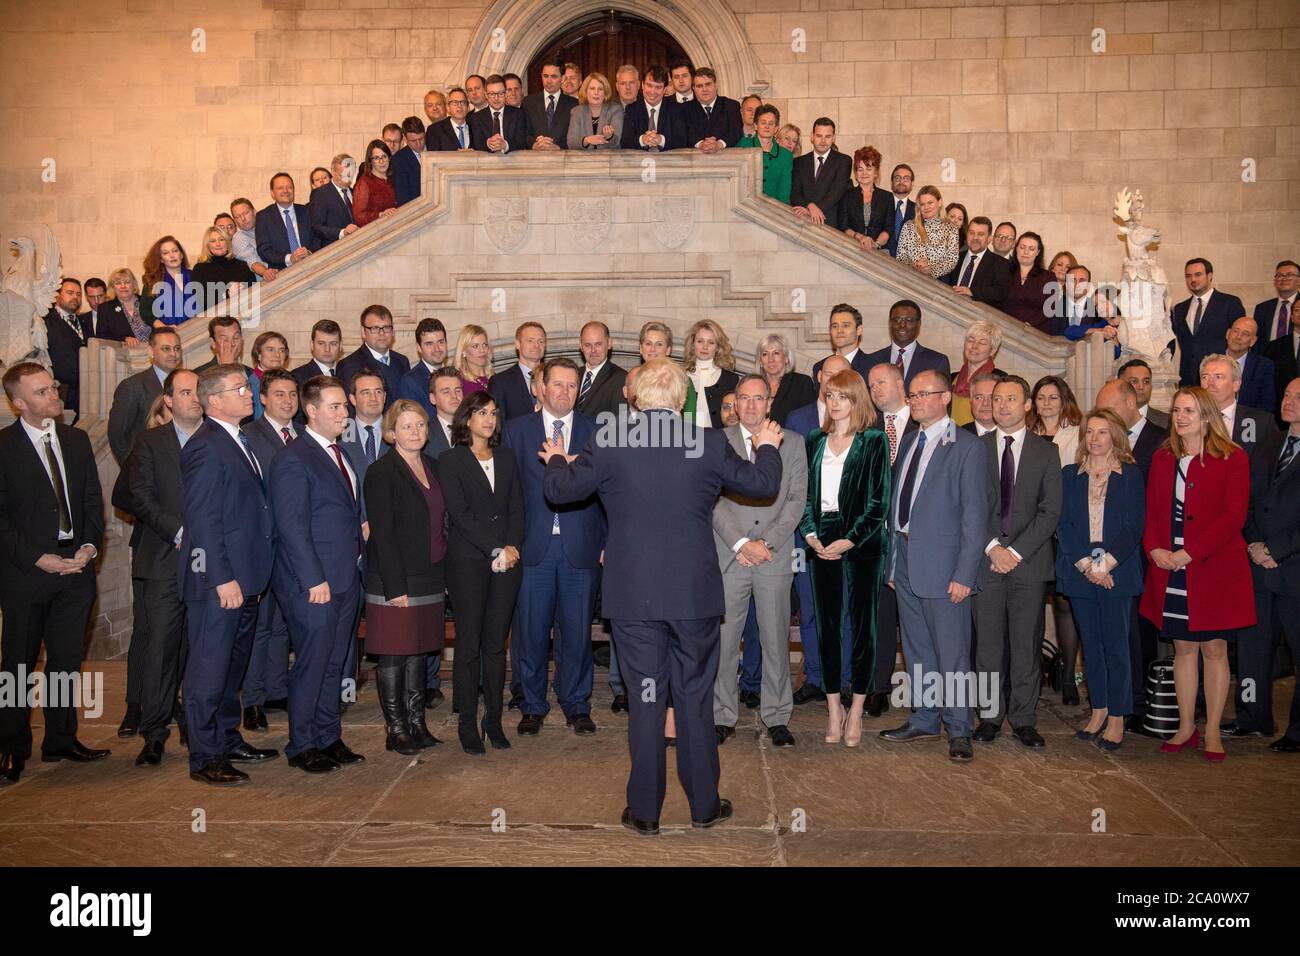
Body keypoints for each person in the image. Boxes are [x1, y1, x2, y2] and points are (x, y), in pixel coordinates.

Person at [542, 358, 783, 833]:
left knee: (646, 699)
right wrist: (767, 446)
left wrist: (555, 455)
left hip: (635, 598)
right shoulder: (708, 441)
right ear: (682, 399)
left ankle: (646, 812)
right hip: (693, 597)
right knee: (694, 699)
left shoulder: (610, 441)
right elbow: (764, 484)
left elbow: (558, 490)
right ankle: (704, 807)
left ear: (634, 398)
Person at [0, 364, 107, 786]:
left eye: (53, 387)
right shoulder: (4, 447)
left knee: (65, 663)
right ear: (19, 403)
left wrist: (89, 547)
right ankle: (10, 744)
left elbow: (91, 502)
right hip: (26, 574)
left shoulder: (76, 440)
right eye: (42, 391)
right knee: (17, 666)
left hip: (76, 570)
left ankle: (62, 739)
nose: (54, 395)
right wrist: (37, 558)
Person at [880, 369, 989, 762]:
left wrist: (964, 574)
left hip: (945, 567)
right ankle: (925, 718)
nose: (916, 401)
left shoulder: (967, 447)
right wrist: (893, 565)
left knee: (952, 651)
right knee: (918, 647)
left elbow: (976, 518)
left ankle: (959, 728)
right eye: (912, 395)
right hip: (907, 559)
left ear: (946, 398)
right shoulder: (909, 442)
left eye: (925, 394)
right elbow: (898, 509)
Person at [1142, 387, 1254, 762]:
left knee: (1215, 648)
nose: (1180, 417)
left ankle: (1212, 731)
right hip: (1170, 566)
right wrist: (1155, 548)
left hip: (1212, 566)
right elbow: (1153, 511)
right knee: (1183, 648)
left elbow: (1233, 517)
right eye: (1176, 410)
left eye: (1189, 410)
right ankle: (1186, 725)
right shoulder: (1163, 458)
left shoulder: (1233, 458)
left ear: (1207, 415)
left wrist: (1189, 553)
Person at [180, 365, 278, 786]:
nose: (249, 393)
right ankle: (204, 757)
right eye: (239, 388)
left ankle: (225, 738)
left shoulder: (239, 439)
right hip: (218, 585)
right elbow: (203, 521)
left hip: (247, 580)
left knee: (230, 671)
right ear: (213, 400)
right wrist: (222, 579)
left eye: (248, 386)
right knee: (208, 671)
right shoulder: (205, 446)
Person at [503, 358, 605, 736]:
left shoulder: (597, 431)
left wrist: (607, 541)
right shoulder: (516, 432)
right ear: (540, 387)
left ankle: (576, 703)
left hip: (582, 546)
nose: (564, 392)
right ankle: (532, 704)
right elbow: (507, 494)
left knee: (577, 632)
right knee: (530, 632)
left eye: (572, 386)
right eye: (557, 384)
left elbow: (609, 490)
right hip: (533, 548)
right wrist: (509, 542)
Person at [270, 375, 367, 773]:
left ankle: (328, 735)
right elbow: (291, 526)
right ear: (310, 411)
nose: (344, 412)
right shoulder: (294, 457)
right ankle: (302, 743)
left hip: (346, 576)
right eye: (335, 407)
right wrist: (314, 580)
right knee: (312, 662)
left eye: (344, 406)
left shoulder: (339, 452)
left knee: (334, 662)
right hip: (313, 583)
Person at [713, 374, 807, 746]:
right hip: (729, 555)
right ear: (735, 403)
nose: (751, 405)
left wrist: (765, 542)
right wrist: (740, 543)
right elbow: (712, 500)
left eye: (758, 398)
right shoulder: (717, 442)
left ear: (770, 403)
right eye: (744, 398)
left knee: (774, 638)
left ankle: (777, 714)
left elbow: (797, 499)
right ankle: (721, 714)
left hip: (774, 555)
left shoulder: (793, 443)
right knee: (723, 640)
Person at [800, 370, 891, 747]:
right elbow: (804, 497)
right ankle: (833, 708)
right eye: (830, 395)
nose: (834, 403)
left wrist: (848, 541)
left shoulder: (873, 441)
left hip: (863, 546)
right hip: (820, 543)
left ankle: (856, 710)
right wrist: (811, 535)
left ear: (857, 401)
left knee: (864, 629)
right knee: (828, 627)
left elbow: (878, 503)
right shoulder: (814, 440)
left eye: (843, 396)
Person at [971, 375, 1062, 748]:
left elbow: (1050, 510)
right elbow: (970, 507)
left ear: (1027, 404)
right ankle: (990, 717)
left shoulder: (1046, 451)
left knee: (1026, 645)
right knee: (988, 646)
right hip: (986, 562)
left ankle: (1024, 718)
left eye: (1011, 398)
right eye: (997, 399)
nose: (1002, 405)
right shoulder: (973, 449)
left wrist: (1016, 552)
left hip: (1029, 564)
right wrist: (994, 547)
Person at [438, 391, 523, 753]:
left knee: (495, 644)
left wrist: (513, 547)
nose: (489, 419)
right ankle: (467, 723)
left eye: (493, 413)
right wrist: (495, 547)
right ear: (467, 419)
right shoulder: (450, 459)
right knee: (469, 644)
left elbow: (518, 508)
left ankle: (494, 719)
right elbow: (460, 515)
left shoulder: (506, 457)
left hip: (508, 563)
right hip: (468, 562)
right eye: (481, 413)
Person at [1058, 408, 1147, 751]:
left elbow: (1133, 527)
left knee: (1116, 647)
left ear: (1116, 437)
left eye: (1102, 433)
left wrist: (1105, 566)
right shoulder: (1070, 474)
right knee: (1090, 646)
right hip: (1080, 572)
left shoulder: (1131, 475)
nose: (1094, 439)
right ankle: (1098, 709)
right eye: (1090, 432)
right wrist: (1087, 566)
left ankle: (1118, 717)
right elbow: (1063, 524)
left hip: (1117, 573)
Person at [362, 399, 447, 754]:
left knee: (418, 652)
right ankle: (395, 728)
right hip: (394, 579)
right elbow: (383, 533)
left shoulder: (434, 466)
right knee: (394, 654)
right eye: (407, 426)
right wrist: (395, 588)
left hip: (429, 575)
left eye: (420, 426)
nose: (415, 432)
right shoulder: (382, 472)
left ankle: (417, 723)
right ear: (391, 432)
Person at [126, 369, 201, 766]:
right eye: (185, 392)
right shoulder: (150, 442)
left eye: (197, 391)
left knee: (200, 648)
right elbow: (140, 496)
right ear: (168, 400)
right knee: (161, 649)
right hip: (164, 560)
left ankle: (196, 722)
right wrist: (180, 531)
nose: (193, 398)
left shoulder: (216, 439)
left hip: (210, 566)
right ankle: (154, 733)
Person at [1231, 377, 1300, 752]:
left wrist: (1276, 549)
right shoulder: (1270, 442)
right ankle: (1251, 717)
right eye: (1287, 395)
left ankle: (1297, 731)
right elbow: (1250, 497)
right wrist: (1255, 542)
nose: (1288, 402)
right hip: (1258, 563)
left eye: (1297, 397)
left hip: (1293, 567)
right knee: (1253, 647)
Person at [240, 369, 299, 731]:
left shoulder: (303, 435)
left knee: (282, 626)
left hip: (294, 548)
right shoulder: (250, 436)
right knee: (260, 627)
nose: (287, 401)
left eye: (292, 394)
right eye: (279, 394)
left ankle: (277, 688)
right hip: (263, 545)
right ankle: (253, 699)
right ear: (263, 398)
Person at [1030, 374, 1084, 704]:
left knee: (1065, 602)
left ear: (1064, 400)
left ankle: (1067, 676)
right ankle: (1033, 671)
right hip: (1033, 532)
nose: (1047, 403)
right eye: (1041, 398)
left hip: (1065, 528)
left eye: (1053, 397)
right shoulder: (1026, 434)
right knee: (1032, 603)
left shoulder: (1077, 435)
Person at [108, 326, 182, 466]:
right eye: (166, 349)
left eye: (177, 348)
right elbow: (117, 435)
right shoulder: (132, 387)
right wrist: (135, 470)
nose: (174, 354)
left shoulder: (187, 384)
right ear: (151, 352)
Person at [1171, 258, 1245, 388]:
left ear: (1209, 276)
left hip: (1218, 379)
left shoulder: (1229, 303)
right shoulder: (1179, 309)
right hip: (1188, 380)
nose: (1193, 280)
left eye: (1198, 274)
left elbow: (1240, 341)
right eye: (1188, 276)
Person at [862, 299, 952, 391]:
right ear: (890, 323)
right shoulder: (871, 361)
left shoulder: (937, 362)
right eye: (897, 320)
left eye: (909, 320)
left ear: (919, 324)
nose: (902, 325)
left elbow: (942, 401)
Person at [336, 304, 410, 409]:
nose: (382, 333)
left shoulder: (402, 361)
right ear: (363, 332)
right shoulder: (348, 365)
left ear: (393, 331)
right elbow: (348, 408)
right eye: (375, 328)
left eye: (386, 328)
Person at [789, 117, 852, 228]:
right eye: (819, 136)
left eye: (827, 136)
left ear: (833, 138)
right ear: (812, 137)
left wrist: (813, 210)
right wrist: (811, 206)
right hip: (802, 224)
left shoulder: (844, 161)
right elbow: (795, 193)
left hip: (830, 224)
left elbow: (837, 192)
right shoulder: (799, 162)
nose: (823, 141)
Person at [43, 278, 89, 419]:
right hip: (60, 390)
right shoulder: (45, 321)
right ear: (57, 295)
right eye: (70, 292)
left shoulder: (84, 321)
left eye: (78, 294)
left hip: (84, 392)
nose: (75, 297)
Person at [255, 172, 320, 270]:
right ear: (272, 193)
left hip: (312, 267)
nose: (286, 191)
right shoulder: (264, 216)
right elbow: (264, 250)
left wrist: (309, 252)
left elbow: (318, 238)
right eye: (280, 188)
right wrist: (290, 258)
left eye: (289, 187)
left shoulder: (307, 211)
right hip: (283, 273)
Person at [682, 318, 739, 427]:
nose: (705, 347)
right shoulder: (680, 377)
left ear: (718, 347)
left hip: (719, 440)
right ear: (693, 344)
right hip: (686, 439)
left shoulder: (730, 379)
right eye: (700, 341)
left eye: (711, 342)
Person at [896, 185, 959, 280]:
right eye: (922, 204)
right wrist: (916, 267)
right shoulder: (908, 226)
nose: (926, 207)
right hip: (911, 279)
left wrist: (931, 270)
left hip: (939, 283)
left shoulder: (951, 229)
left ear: (940, 202)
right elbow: (901, 257)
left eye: (930, 203)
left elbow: (952, 260)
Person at [949, 320, 1004, 426]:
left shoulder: (1000, 379)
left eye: (982, 343)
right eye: (970, 340)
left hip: (982, 439)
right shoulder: (952, 377)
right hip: (953, 437)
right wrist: (949, 439)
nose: (974, 346)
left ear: (993, 351)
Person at [948, 216, 1011, 308]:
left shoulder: (1001, 264)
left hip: (978, 317)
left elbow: (1000, 293)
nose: (975, 238)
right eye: (971, 233)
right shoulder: (954, 257)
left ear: (989, 239)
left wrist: (972, 292)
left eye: (980, 234)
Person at [489, 321, 546, 422]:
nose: (536, 345)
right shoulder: (500, 382)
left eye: (541, 341)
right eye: (530, 340)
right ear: (517, 344)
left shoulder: (555, 377)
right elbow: (498, 424)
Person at [1002, 232, 1058, 335]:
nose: (1026, 252)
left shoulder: (1049, 277)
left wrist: (1028, 325)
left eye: (1031, 249)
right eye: (1022, 247)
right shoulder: (1004, 272)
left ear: (1037, 252)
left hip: (1035, 334)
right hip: (1006, 330)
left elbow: (1051, 308)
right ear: (1016, 249)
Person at [620, 65, 685, 151]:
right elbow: (625, 142)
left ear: (665, 89)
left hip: (668, 162)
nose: (652, 91)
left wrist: (661, 140)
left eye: (658, 87)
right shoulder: (632, 109)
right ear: (642, 85)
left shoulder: (676, 109)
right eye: (649, 85)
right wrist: (642, 140)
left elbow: (682, 141)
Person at [735, 104, 792, 203]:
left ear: (776, 128)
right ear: (756, 126)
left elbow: (784, 189)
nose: (767, 126)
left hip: (774, 210)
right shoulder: (743, 145)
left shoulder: (785, 155)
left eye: (771, 123)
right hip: (745, 207)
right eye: (763, 122)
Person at [190, 226, 256, 310]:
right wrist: (226, 294)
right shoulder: (200, 268)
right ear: (207, 246)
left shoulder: (242, 265)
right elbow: (199, 300)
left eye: (221, 239)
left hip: (242, 313)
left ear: (227, 243)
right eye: (213, 241)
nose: (218, 244)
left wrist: (241, 291)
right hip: (214, 319)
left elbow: (253, 292)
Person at [574, 320, 628, 421]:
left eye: (598, 344)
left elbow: (621, 424)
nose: (593, 350)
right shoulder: (573, 375)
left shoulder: (622, 379)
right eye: (587, 345)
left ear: (609, 343)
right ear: (581, 346)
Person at [843, 146, 893, 251]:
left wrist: (876, 244)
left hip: (879, 251)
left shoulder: (887, 197)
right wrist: (860, 237)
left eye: (869, 168)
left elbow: (889, 228)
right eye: (860, 169)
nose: (864, 173)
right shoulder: (847, 196)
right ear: (856, 174)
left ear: (876, 173)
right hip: (852, 248)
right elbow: (843, 226)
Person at [759, 332, 815, 426]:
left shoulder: (801, 383)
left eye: (776, 353)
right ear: (760, 361)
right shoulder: (754, 385)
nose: (770, 359)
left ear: (786, 358)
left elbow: (808, 420)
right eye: (765, 354)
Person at [397, 317, 449, 417]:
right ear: (419, 348)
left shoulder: (455, 376)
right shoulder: (410, 382)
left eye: (441, 342)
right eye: (429, 344)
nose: (437, 349)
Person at [1223, 317, 1276, 411]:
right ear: (1227, 334)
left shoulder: (1264, 366)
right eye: (1235, 331)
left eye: (1245, 334)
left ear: (1253, 341)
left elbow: (1267, 403)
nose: (1238, 337)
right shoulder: (1210, 361)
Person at [523, 59, 577, 150]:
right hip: (535, 159)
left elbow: (576, 137)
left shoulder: (574, 104)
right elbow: (523, 133)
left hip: (563, 159)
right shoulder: (528, 102)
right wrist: (534, 144)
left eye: (554, 77)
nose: (549, 81)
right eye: (545, 76)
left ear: (563, 78)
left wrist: (558, 147)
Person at [142, 235, 195, 327]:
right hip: (164, 334)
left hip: (194, 331)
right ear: (161, 259)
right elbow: (145, 310)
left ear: (181, 254)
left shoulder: (194, 276)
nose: (172, 255)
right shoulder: (153, 280)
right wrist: (163, 327)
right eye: (165, 253)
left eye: (175, 251)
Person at [684, 67, 742, 151]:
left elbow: (736, 131)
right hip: (695, 160)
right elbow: (685, 133)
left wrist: (719, 144)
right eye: (699, 86)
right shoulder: (685, 109)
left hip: (726, 160)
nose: (704, 89)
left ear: (715, 85)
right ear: (693, 88)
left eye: (708, 84)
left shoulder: (731, 106)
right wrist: (700, 144)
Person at [811, 303, 872, 382]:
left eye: (846, 325)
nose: (839, 331)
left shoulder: (872, 366)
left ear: (859, 330)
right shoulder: (820, 367)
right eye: (835, 326)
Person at [94, 268, 155, 345]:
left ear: (134, 285)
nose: (123, 286)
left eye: (127, 282)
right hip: (123, 355)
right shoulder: (105, 309)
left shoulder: (148, 302)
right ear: (113, 287)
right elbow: (101, 337)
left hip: (152, 353)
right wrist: (124, 339)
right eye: (118, 283)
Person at [470, 74, 530, 153]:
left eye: (500, 93)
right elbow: (476, 144)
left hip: (513, 163)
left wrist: (505, 145)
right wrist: (488, 144)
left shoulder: (518, 114)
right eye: (492, 94)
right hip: (486, 163)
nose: (496, 98)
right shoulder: (477, 117)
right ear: (486, 95)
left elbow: (522, 142)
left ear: (505, 94)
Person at [567, 71, 623, 150]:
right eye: (592, 88)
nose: (596, 93)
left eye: (600, 89)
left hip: (609, 160)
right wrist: (587, 140)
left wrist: (610, 136)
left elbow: (617, 141)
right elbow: (571, 142)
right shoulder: (577, 112)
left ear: (605, 93)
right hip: (583, 160)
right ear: (586, 92)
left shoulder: (615, 110)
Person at [230, 198, 279, 282]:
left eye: (245, 213)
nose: (243, 219)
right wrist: (265, 272)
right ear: (235, 220)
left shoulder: (268, 227)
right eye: (238, 217)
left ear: (255, 212)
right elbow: (252, 261)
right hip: (266, 284)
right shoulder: (238, 238)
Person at [1253, 260, 1299, 344]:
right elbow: (1258, 340)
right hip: (1268, 356)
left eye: (1289, 275)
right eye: (1279, 275)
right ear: (1275, 281)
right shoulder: (1262, 308)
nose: (1284, 278)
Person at [353, 140, 398, 225]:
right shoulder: (364, 183)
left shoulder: (393, 179)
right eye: (376, 158)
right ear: (370, 161)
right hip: (375, 233)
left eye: (384, 156)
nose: (381, 161)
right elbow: (359, 216)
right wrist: (381, 214)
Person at [1119, 358, 1170, 430]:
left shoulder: (1167, 421)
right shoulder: (1109, 419)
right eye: (1134, 381)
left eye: (1146, 382)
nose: (1141, 387)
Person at [391, 117, 425, 206]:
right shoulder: (398, 160)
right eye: (413, 141)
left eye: (421, 139)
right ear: (405, 140)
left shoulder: (435, 149)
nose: (418, 144)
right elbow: (403, 198)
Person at [884, 164, 915, 258]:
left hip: (908, 265)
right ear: (891, 183)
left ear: (912, 184)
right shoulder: (881, 205)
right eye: (897, 178)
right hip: (881, 261)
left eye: (906, 178)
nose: (901, 181)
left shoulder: (918, 210)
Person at [455, 323, 492, 395]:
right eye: (475, 346)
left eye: (485, 345)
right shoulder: (460, 384)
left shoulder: (493, 377)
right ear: (463, 351)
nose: (482, 350)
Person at [963, 371, 1001, 437]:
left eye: (992, 397)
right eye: (979, 397)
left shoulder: (1013, 435)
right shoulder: (957, 436)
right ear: (971, 401)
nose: (985, 403)